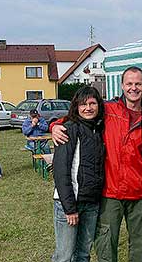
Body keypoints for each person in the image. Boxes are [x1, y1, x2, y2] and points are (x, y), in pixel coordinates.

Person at [51, 66, 142, 262]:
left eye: (138, 84)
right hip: (110, 192)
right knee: (105, 247)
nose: (133, 88)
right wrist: (54, 126)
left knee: (139, 248)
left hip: (139, 192)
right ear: (122, 86)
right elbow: (75, 117)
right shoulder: (109, 110)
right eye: (129, 84)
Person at [52, 86, 105, 262]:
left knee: (83, 254)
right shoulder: (69, 129)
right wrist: (70, 208)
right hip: (69, 203)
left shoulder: (98, 130)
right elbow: (61, 172)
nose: (88, 108)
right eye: (83, 104)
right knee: (65, 256)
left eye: (92, 103)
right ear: (76, 107)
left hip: (91, 203)